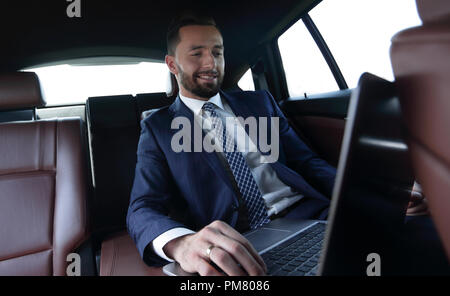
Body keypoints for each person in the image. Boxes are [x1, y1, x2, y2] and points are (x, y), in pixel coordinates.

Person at [127, 12, 336, 276]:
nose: (210, 63)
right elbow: (142, 207)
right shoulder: (158, 129)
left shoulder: (260, 103)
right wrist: (182, 244)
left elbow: (307, 163)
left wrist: (363, 192)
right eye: (196, 53)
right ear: (172, 64)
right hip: (237, 243)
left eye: (217, 52)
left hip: (311, 216)